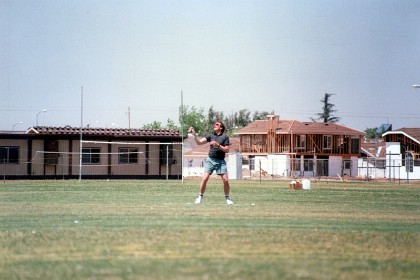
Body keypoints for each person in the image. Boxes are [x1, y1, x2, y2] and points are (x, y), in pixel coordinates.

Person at [188, 121, 234, 205]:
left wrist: (218, 145)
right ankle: (200, 197)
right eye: (215, 124)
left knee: (225, 179)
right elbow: (199, 142)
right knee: (205, 178)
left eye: (217, 124)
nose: (215, 125)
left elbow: (227, 150)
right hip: (210, 159)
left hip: (220, 161)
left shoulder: (225, 137)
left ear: (221, 127)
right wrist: (194, 134)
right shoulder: (211, 135)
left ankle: (227, 198)